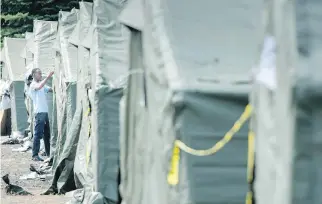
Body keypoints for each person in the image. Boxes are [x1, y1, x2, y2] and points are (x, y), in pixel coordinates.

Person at [29, 68, 54, 161]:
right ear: (34, 75)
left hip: (45, 112)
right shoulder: (33, 85)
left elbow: (50, 89)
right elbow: (39, 86)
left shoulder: (42, 85)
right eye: (39, 73)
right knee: (38, 134)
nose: (40, 75)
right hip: (39, 113)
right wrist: (48, 76)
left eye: (41, 73)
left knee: (47, 134)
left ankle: (48, 154)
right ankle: (35, 155)